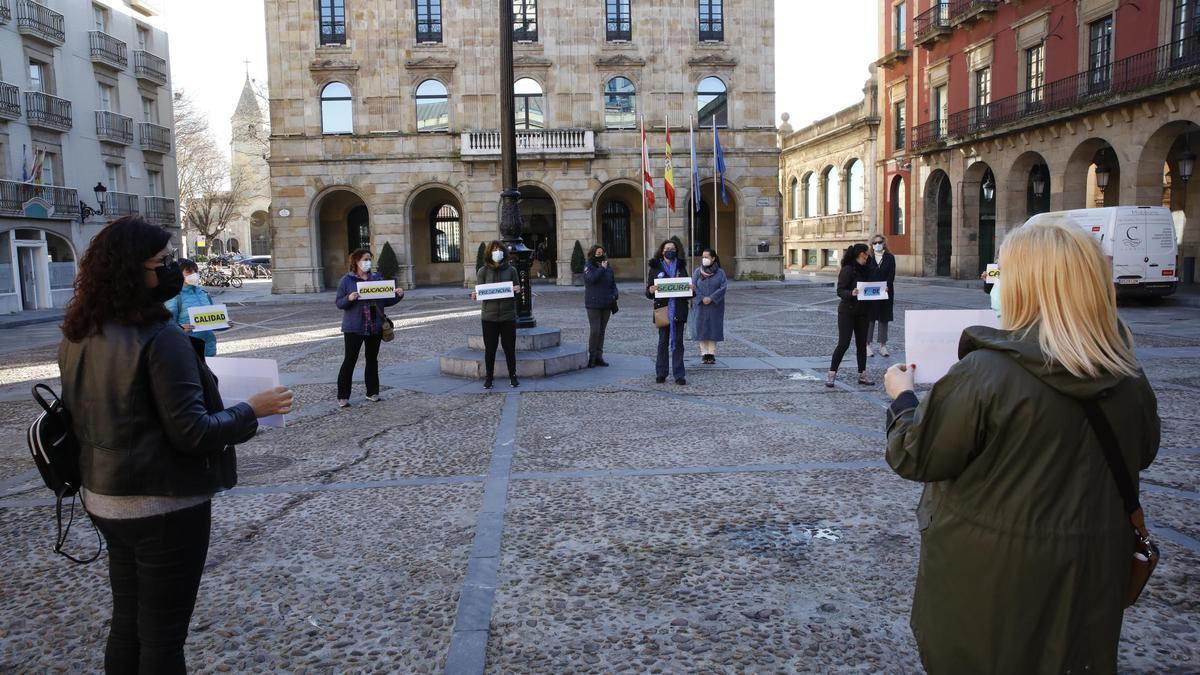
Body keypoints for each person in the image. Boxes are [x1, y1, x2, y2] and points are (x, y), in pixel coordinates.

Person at [882, 221, 1159, 673]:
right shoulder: (1128, 376)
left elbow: (917, 455)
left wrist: (904, 399)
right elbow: (1141, 452)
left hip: (993, 574)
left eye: (1001, 274)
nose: (995, 284)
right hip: (1091, 570)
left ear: (1028, 286)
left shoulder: (984, 373)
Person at [58, 216, 293, 674]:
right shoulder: (159, 336)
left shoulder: (81, 329)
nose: (171, 268)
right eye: (161, 261)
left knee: (128, 622)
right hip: (161, 504)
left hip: (103, 496)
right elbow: (194, 432)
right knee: (163, 637)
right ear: (131, 269)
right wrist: (253, 409)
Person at [335, 248, 404, 407]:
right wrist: (349, 298)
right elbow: (339, 303)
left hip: (374, 327)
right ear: (356, 261)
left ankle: (372, 392)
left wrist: (398, 295)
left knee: (372, 360)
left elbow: (385, 301)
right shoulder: (347, 280)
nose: (368, 262)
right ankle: (343, 396)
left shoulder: (377, 279)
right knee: (349, 360)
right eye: (365, 259)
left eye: (369, 259)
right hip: (354, 328)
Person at [472, 240, 522, 389]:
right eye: (494, 249)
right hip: (489, 317)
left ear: (503, 252)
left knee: (509, 348)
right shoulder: (483, 271)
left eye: (499, 249)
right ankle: (489, 377)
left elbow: (516, 290)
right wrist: (475, 294)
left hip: (507, 316)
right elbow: (480, 291)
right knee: (490, 349)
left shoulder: (511, 270)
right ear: (489, 252)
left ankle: (513, 376)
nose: (496, 252)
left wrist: (518, 290)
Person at [645, 239, 694, 385]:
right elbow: (648, 291)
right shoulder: (655, 268)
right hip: (663, 309)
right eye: (667, 248)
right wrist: (650, 290)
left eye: (672, 248)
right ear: (662, 251)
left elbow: (686, 289)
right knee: (662, 342)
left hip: (679, 309)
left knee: (678, 343)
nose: (670, 250)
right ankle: (661, 373)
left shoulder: (681, 267)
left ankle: (679, 375)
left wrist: (692, 289)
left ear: (676, 251)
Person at [827, 243, 875, 387]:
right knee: (843, 344)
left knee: (862, 345)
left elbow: (873, 286)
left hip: (863, 312)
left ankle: (862, 374)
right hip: (847, 311)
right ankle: (831, 374)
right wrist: (851, 293)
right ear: (862, 254)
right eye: (867, 253)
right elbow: (840, 290)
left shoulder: (868, 269)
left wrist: (882, 289)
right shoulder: (848, 269)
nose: (869, 255)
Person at [165, 259, 222, 357]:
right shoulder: (174, 296)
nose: (194, 274)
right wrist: (180, 328)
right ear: (179, 275)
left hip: (208, 348)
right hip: (186, 349)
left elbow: (213, 321)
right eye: (189, 271)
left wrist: (224, 323)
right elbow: (166, 325)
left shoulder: (204, 294)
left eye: (196, 271)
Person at [583, 244, 618, 368]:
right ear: (593, 254)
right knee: (595, 331)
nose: (600, 255)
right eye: (598, 253)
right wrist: (601, 269)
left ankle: (599, 356)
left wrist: (615, 294)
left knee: (602, 331)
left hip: (606, 303)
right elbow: (591, 279)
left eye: (602, 253)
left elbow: (613, 283)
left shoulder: (608, 267)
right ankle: (592, 357)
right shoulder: (588, 266)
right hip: (593, 304)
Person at [691, 248, 728, 364]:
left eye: (707, 257)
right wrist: (702, 298)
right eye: (703, 257)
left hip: (715, 306)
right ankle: (704, 353)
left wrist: (711, 298)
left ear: (713, 258)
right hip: (700, 305)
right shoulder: (698, 271)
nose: (704, 259)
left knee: (713, 328)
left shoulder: (720, 272)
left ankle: (711, 353)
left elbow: (723, 287)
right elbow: (692, 286)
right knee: (701, 328)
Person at [867, 234, 896, 358]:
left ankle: (883, 346)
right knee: (870, 319)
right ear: (871, 245)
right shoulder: (868, 258)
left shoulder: (890, 257)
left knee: (884, 318)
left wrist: (888, 285)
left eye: (879, 242)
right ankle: (867, 345)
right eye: (875, 243)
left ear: (884, 243)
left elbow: (891, 274)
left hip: (885, 291)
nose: (877, 244)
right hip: (871, 292)